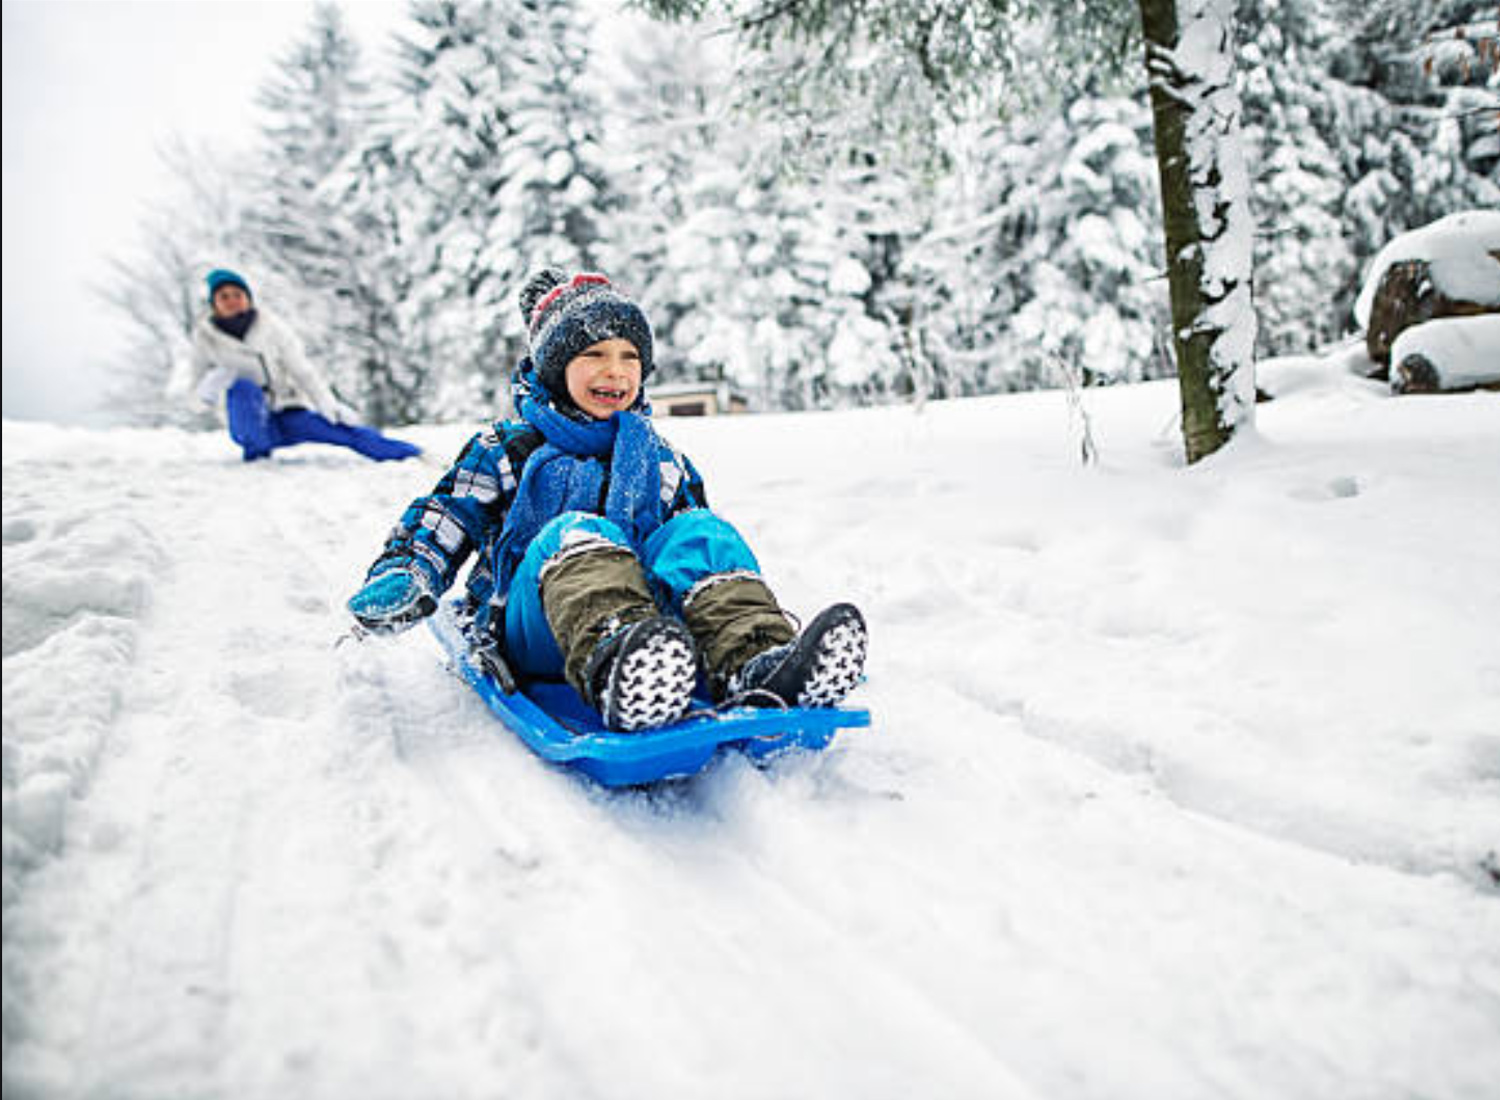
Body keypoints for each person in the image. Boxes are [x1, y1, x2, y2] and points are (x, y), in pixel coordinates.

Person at [346, 269, 868, 732]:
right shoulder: (506, 449)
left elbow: (684, 556)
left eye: (629, 357)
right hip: (534, 629)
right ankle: (622, 668)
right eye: (593, 355)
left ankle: (759, 661)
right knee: (576, 532)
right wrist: (408, 573)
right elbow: (443, 518)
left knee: (700, 533)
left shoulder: (658, 459)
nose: (615, 372)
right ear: (554, 368)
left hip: (654, 630)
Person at [187, 268, 422, 463]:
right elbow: (194, 399)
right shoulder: (205, 338)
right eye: (223, 297)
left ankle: (411, 454)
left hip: (289, 413)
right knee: (242, 388)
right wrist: (206, 394)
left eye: (237, 294)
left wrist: (327, 404)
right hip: (250, 425)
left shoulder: (272, 328)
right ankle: (257, 457)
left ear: (248, 298)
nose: (231, 301)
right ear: (214, 304)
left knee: (342, 430)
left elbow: (303, 372)